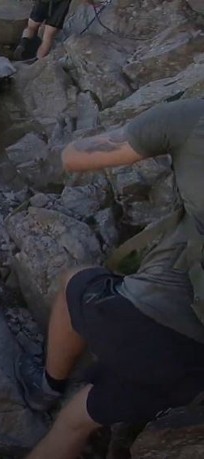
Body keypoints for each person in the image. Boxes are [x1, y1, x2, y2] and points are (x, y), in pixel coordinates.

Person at [14, 98, 204, 459]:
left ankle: (47, 384)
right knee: (76, 421)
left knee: (76, 280)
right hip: (195, 370)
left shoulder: (192, 117)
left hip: (144, 323)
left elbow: (75, 158)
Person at [13, 0, 95, 61]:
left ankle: (23, 44)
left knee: (31, 27)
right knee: (48, 37)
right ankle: (37, 62)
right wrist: (93, 4)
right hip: (60, 5)